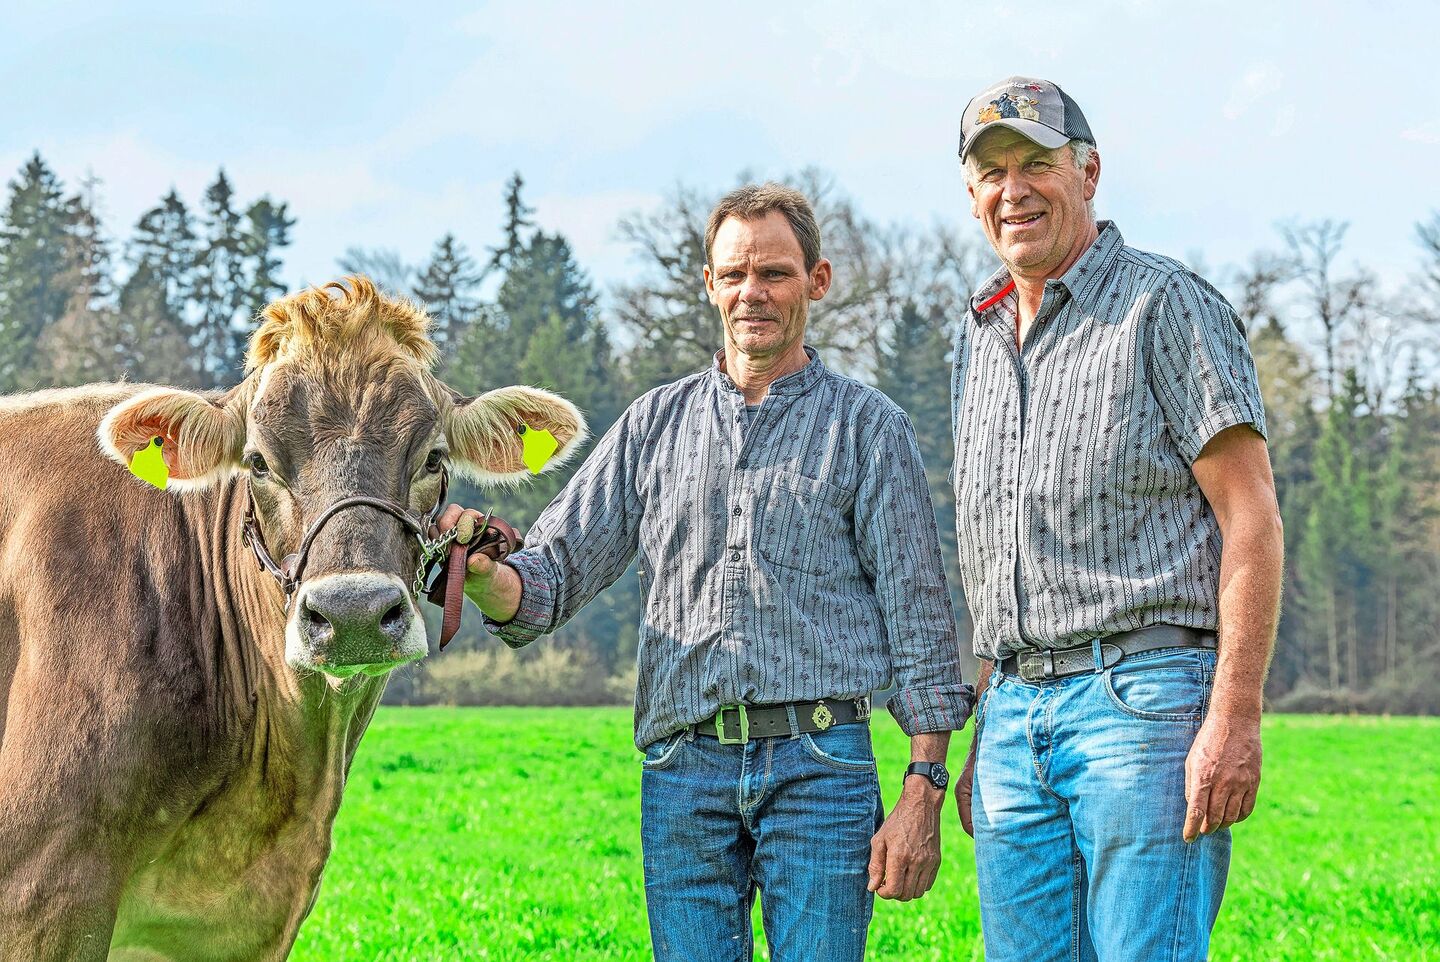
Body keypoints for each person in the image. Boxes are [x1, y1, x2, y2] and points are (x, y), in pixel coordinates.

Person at [441, 183, 972, 961]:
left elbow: (918, 614)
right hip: (683, 770)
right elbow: (549, 576)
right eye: (734, 274)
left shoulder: (868, 427)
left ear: (817, 281)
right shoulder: (652, 425)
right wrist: (481, 570)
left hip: (821, 766)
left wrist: (923, 785)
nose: (752, 292)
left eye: (775, 273)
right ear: (709, 284)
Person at [948, 76, 1284, 962]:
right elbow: (998, 548)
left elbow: (1251, 517)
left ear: (1088, 172)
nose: (1013, 191)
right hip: (1014, 714)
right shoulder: (977, 334)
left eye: (1035, 165)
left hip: (1143, 703)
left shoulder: (1165, 306)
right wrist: (989, 718)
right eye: (991, 173)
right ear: (972, 195)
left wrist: (1234, 715)